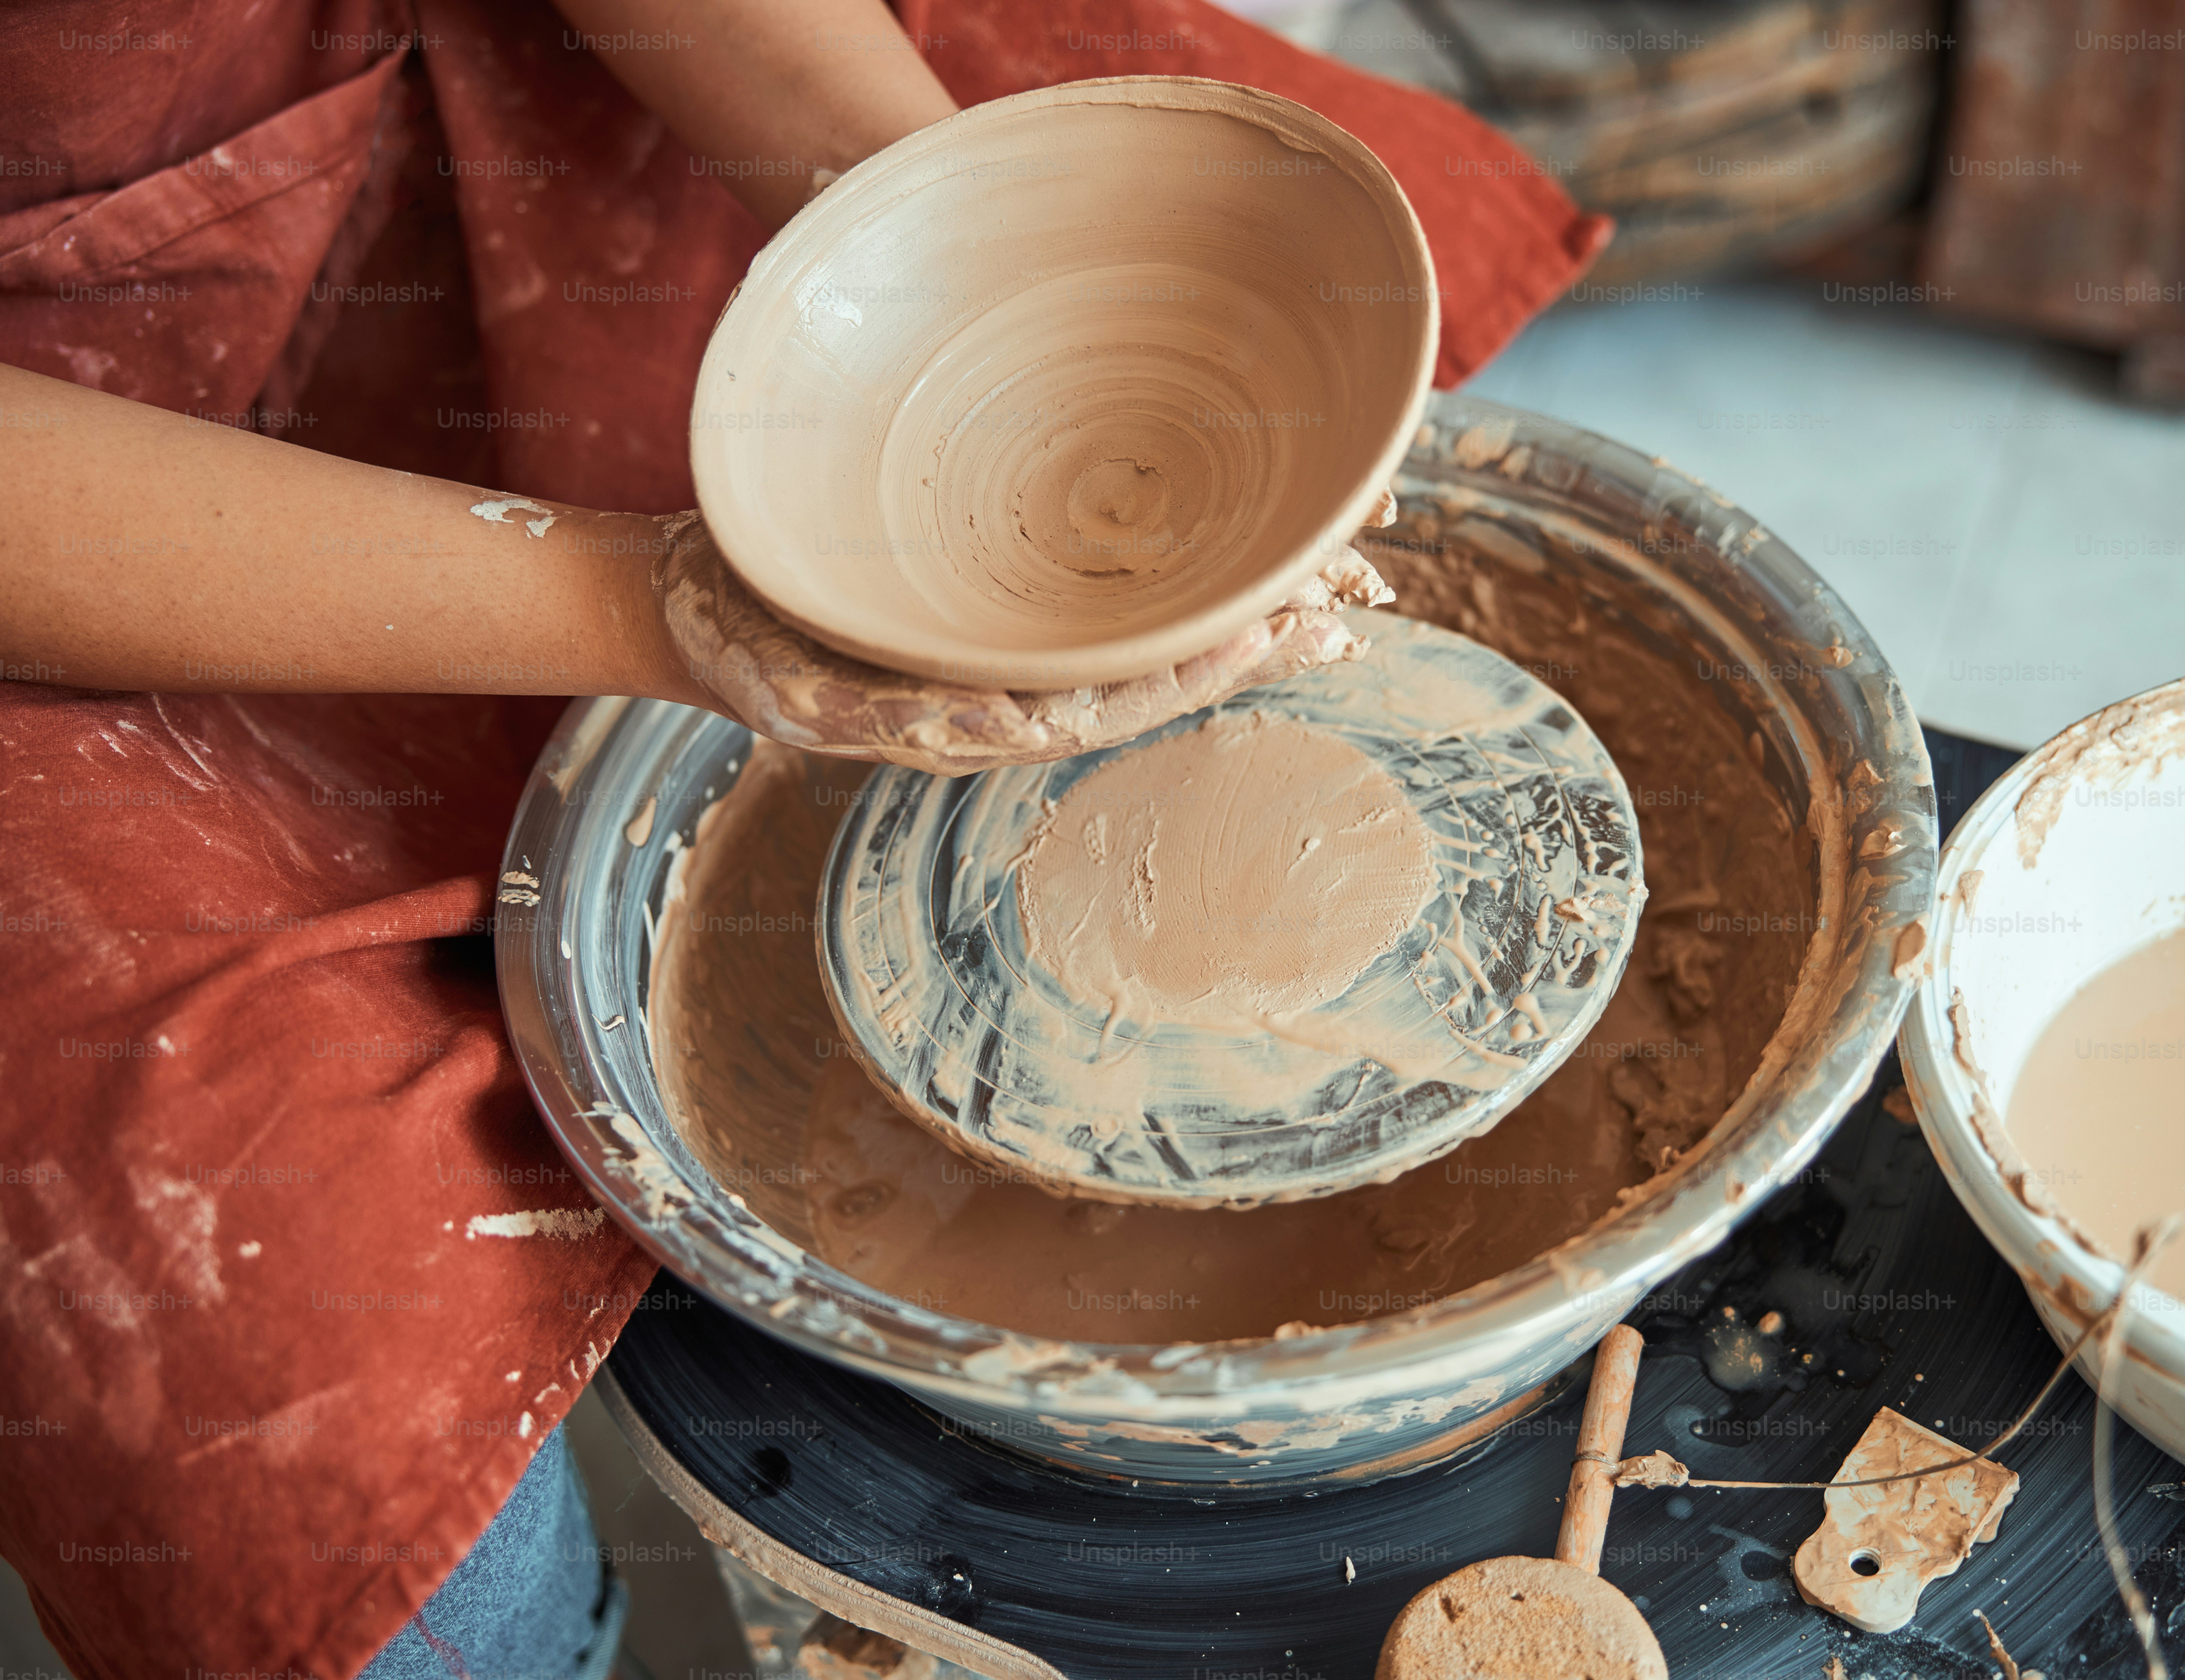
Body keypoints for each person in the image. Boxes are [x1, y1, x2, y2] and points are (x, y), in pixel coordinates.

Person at [0, 0, 1607, 1672]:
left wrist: (963, 279)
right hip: (64, 493)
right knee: (342, 1503)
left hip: (492, 121)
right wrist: (656, 608)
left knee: (1232, 219)